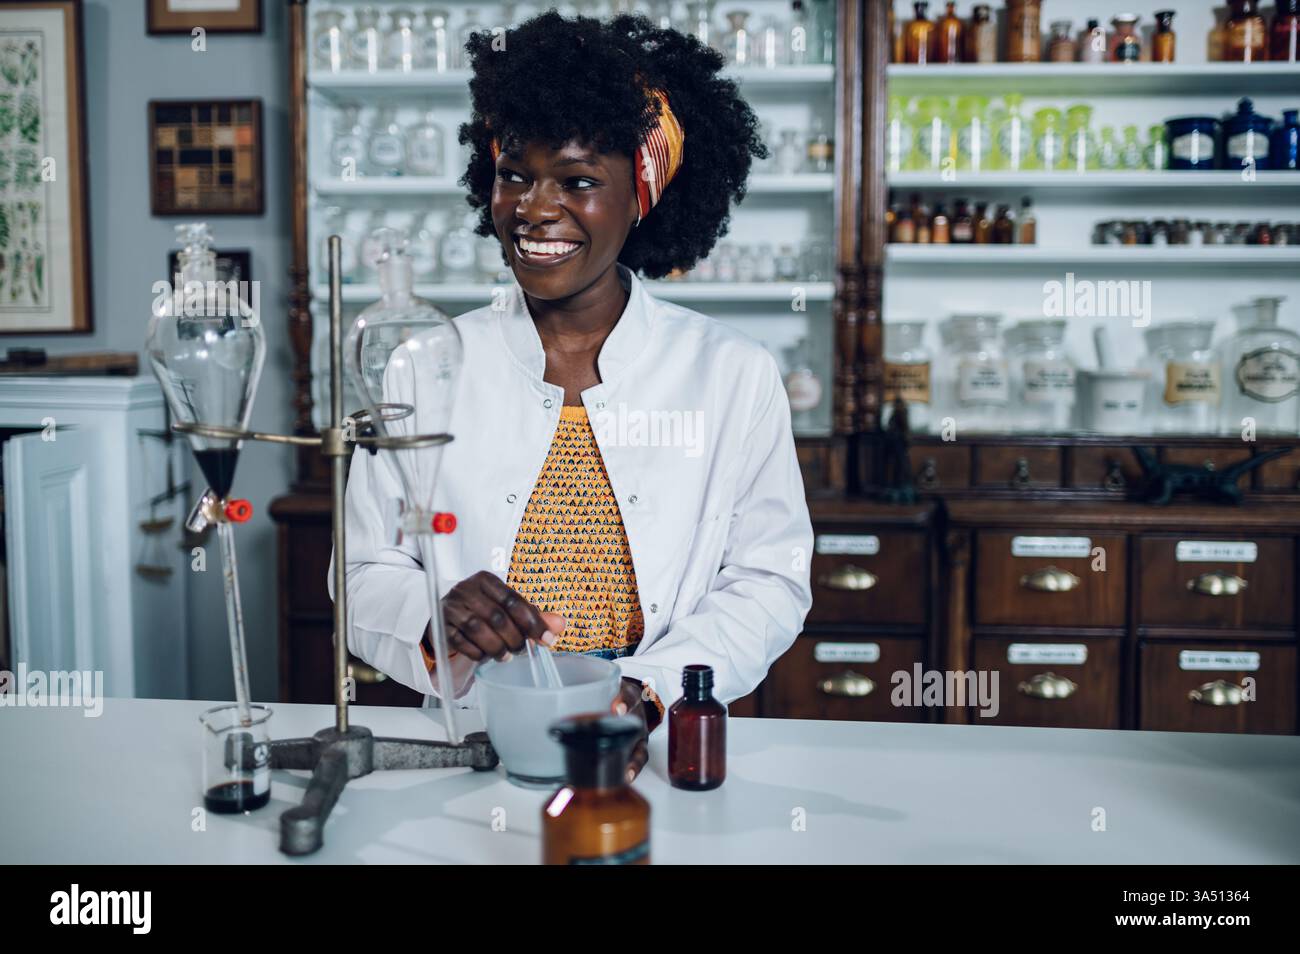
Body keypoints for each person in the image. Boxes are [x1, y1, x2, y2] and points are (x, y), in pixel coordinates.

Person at [333, 12, 813, 778]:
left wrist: (646, 692)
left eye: (579, 181)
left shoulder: (731, 374)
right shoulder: (423, 367)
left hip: (650, 740)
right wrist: (431, 614)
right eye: (514, 175)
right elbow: (359, 574)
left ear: (642, 196)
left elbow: (769, 580)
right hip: (468, 739)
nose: (534, 207)